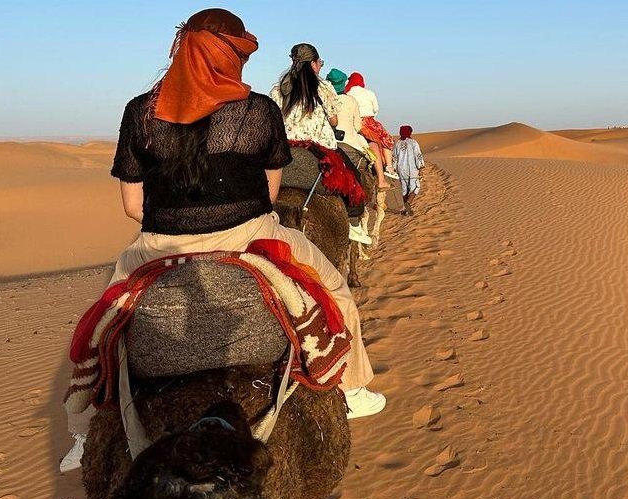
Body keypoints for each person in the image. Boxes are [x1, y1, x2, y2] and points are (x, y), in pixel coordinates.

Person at [59, 8, 385, 473]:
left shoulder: (139, 112)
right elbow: (269, 195)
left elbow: (133, 207)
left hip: (158, 245)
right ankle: (352, 389)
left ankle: (83, 431)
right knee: (332, 288)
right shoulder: (257, 111)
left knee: (103, 322)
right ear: (232, 59)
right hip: (249, 235)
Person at [269, 43, 372, 245]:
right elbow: (333, 121)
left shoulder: (277, 89)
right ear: (314, 64)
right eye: (320, 63)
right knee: (353, 178)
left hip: (285, 147)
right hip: (318, 147)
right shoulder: (324, 87)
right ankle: (354, 224)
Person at [327, 68, 388, 192]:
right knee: (374, 145)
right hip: (350, 141)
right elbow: (358, 127)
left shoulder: (325, 99)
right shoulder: (351, 100)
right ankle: (381, 179)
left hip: (330, 140)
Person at [344, 72, 398, 178]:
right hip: (368, 122)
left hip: (352, 122)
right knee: (386, 139)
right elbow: (376, 109)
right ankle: (389, 166)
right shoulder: (369, 93)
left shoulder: (347, 94)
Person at [393, 125, 424, 215]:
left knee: (404, 188)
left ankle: (405, 209)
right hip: (412, 168)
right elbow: (418, 155)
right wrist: (421, 168)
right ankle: (408, 203)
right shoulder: (413, 143)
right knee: (415, 187)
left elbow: (394, 157)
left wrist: (394, 169)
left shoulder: (397, 143)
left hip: (401, 169)